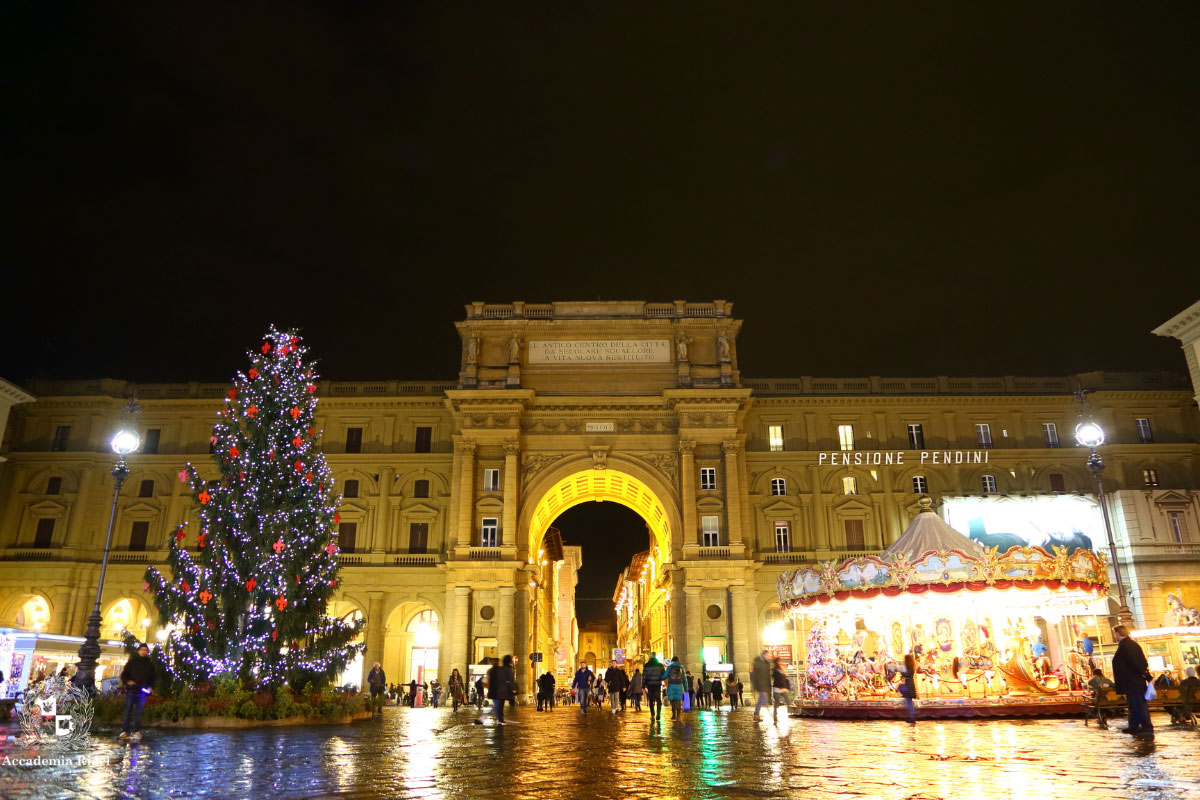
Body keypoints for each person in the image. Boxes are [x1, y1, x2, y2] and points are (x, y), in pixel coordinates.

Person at [1112, 625, 1154, 735]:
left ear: (1117, 633)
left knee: (1138, 704)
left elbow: (1135, 662)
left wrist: (1144, 675)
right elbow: (1141, 661)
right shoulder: (1130, 644)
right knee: (1134, 704)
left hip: (1133, 681)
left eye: (1115, 633)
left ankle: (1146, 727)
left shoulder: (1126, 646)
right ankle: (1134, 725)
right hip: (1132, 681)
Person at [118, 643, 156, 741]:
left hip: (142, 691)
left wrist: (151, 686)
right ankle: (125, 731)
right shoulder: (132, 662)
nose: (144, 652)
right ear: (138, 651)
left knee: (138, 712)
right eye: (142, 650)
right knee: (127, 711)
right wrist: (128, 681)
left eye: (145, 650)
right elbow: (124, 675)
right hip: (131, 690)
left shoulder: (149, 664)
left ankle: (136, 731)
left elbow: (153, 677)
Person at [751, 650, 772, 720]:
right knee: (765, 701)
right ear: (764, 655)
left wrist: (769, 685)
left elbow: (768, 676)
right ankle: (771, 716)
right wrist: (755, 686)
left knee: (760, 700)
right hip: (760, 685)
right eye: (768, 655)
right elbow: (753, 675)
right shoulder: (757, 663)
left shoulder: (767, 663)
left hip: (765, 685)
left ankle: (756, 714)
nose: (769, 657)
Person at [643, 654, 665, 720]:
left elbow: (644, 676)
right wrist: (660, 679)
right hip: (657, 684)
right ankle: (658, 714)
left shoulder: (647, 665)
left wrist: (643, 685)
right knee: (658, 699)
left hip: (650, 685)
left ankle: (652, 715)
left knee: (651, 700)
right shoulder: (660, 665)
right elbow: (663, 674)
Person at [899, 654, 918, 725]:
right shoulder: (911, 667)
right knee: (909, 701)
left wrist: (901, 670)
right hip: (910, 684)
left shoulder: (907, 668)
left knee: (909, 702)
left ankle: (912, 717)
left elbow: (905, 674)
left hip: (908, 685)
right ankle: (911, 716)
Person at [666, 656, 686, 721]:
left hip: (671, 686)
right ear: (678, 660)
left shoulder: (670, 667)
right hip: (679, 686)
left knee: (673, 701)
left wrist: (659, 677)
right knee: (678, 702)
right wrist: (686, 689)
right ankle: (678, 717)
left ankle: (673, 715)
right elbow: (684, 680)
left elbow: (665, 675)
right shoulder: (681, 667)